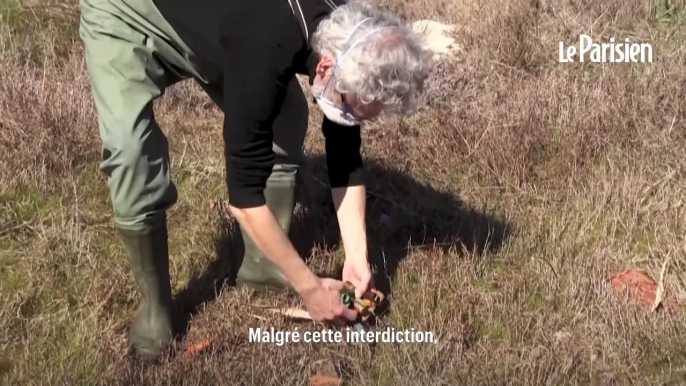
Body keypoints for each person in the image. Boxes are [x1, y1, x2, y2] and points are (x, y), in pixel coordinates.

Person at [78, 0, 434, 360]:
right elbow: (244, 198)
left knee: (283, 119)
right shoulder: (266, 43)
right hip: (127, 12)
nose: (349, 118)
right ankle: (156, 306)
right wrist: (309, 287)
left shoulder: (349, 33)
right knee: (132, 156)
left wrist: (357, 255)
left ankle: (263, 266)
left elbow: (344, 153)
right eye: (349, 106)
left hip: (220, 22)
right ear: (326, 67)